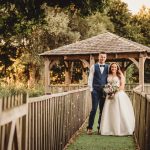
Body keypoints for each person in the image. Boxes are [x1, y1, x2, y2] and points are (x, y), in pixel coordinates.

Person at [100, 62, 135, 136]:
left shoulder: (120, 75)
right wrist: (108, 91)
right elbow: (106, 85)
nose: (113, 68)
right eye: (112, 67)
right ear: (110, 68)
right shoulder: (108, 75)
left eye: (115, 67)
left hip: (118, 95)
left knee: (118, 111)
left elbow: (122, 86)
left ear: (117, 68)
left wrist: (114, 91)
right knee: (109, 112)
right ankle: (108, 129)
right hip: (109, 96)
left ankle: (121, 129)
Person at [87, 52, 109, 135]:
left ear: (106, 58)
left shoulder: (108, 67)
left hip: (104, 91)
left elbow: (110, 77)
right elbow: (90, 78)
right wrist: (91, 89)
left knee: (102, 110)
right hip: (95, 90)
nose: (102, 58)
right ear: (98, 57)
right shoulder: (94, 66)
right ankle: (89, 127)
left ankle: (100, 127)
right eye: (101, 57)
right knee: (94, 109)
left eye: (104, 57)